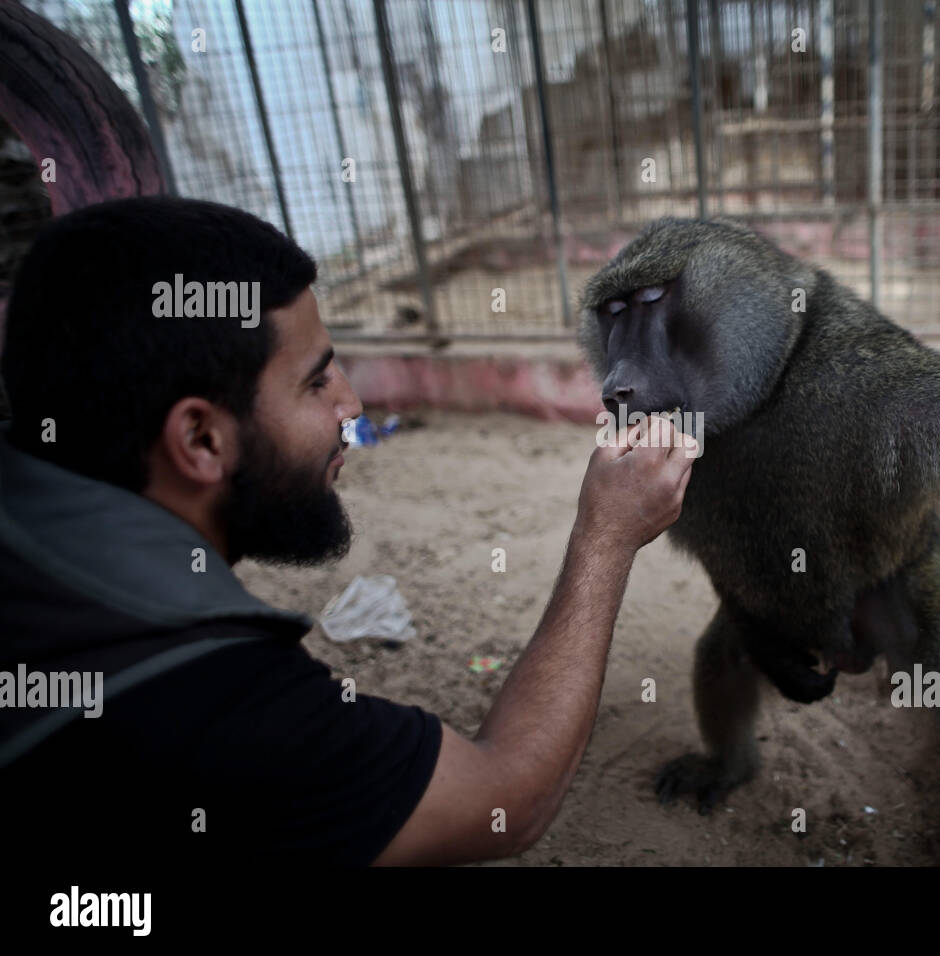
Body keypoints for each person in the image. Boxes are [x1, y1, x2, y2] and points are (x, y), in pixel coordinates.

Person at [0, 195, 693, 866]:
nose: (352, 404)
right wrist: (604, 538)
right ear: (202, 439)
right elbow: (505, 800)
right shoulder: (215, 703)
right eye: (315, 383)